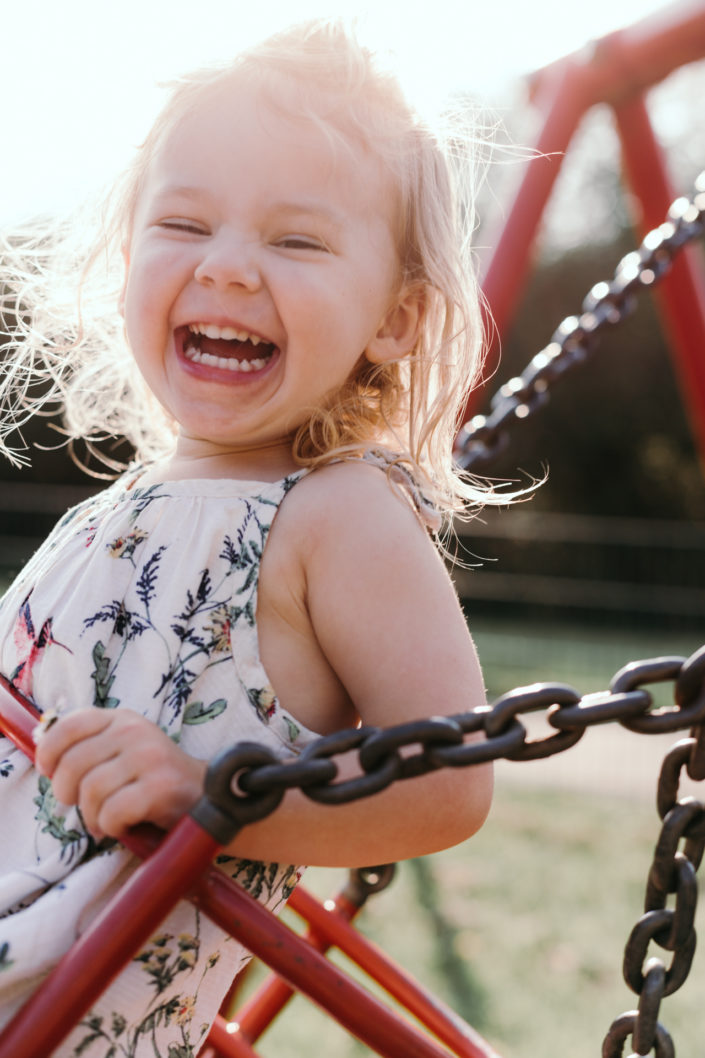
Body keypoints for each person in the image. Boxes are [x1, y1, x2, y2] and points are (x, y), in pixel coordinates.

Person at [0, 19, 499, 1057]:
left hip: (67, 1014)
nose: (226, 267)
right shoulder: (114, 506)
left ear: (398, 318)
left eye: (295, 239)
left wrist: (205, 793)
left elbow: (450, 779)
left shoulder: (336, 513)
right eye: (184, 223)